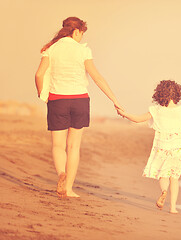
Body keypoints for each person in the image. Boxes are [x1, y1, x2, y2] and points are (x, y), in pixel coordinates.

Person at [35, 17, 122, 198]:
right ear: (76, 32)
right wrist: (114, 99)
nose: (81, 38)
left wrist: (41, 93)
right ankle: (68, 188)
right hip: (80, 100)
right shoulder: (83, 50)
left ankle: (61, 174)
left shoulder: (51, 49)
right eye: (81, 34)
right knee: (73, 146)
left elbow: (39, 74)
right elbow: (97, 78)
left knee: (58, 146)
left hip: (57, 100)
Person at [117, 80, 181, 213]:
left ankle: (164, 191)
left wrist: (124, 114)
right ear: (177, 94)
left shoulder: (156, 110)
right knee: (174, 178)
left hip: (161, 147)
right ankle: (173, 208)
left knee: (163, 175)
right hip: (176, 149)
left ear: (159, 94)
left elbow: (137, 119)